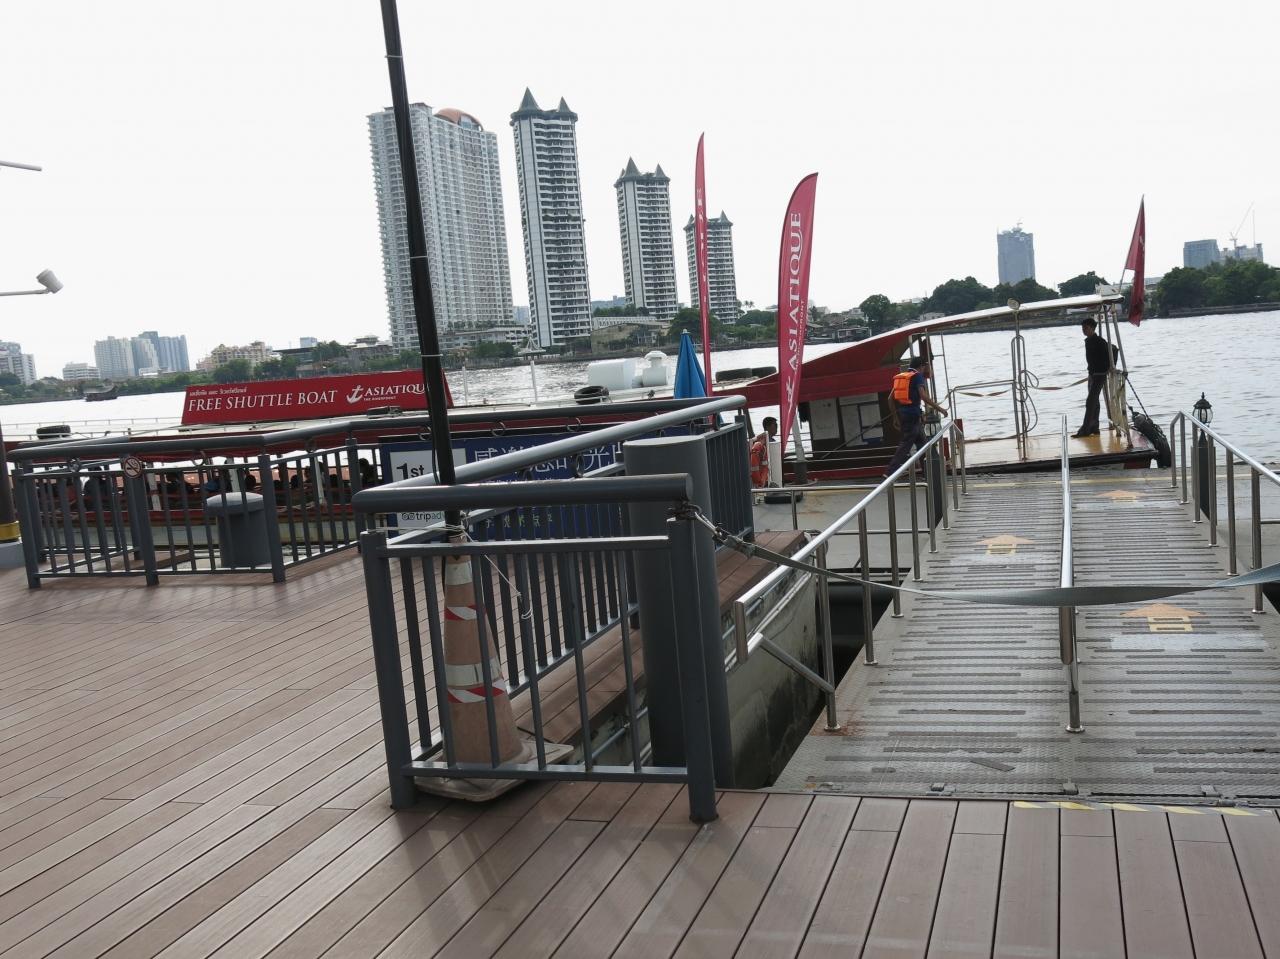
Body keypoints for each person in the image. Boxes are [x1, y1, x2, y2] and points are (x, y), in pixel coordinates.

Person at [884, 356, 948, 476]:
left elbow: (889, 399)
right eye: (924, 366)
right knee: (906, 444)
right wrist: (940, 409)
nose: (925, 369)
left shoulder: (903, 377)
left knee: (922, 444)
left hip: (905, 415)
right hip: (913, 416)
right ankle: (890, 472)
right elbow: (923, 396)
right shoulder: (918, 376)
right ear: (921, 366)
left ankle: (928, 473)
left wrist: (895, 418)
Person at [1073, 318, 1111, 437]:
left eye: (1086, 328)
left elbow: (1107, 359)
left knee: (1090, 401)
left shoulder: (1100, 341)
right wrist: (1092, 373)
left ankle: (1086, 429)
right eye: (1083, 328)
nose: (1083, 330)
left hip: (1099, 375)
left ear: (1092, 328)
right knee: (1095, 402)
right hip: (1092, 375)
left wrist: (1101, 371)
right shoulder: (1088, 341)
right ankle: (1094, 427)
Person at [750, 416, 778, 488]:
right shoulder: (762, 443)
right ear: (767, 427)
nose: (777, 427)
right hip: (765, 474)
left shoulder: (772, 441)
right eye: (775, 425)